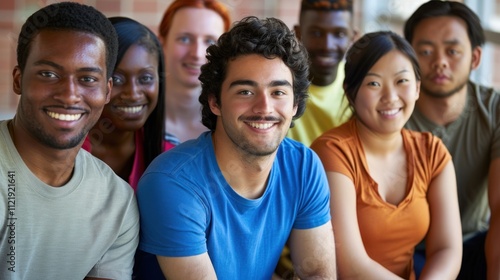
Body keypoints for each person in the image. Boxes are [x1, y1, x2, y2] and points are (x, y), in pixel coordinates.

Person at [136, 16, 337, 279]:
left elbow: (317, 275)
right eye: (245, 92)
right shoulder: (172, 182)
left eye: (278, 92)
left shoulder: (303, 167)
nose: (264, 107)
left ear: (295, 105)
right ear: (215, 102)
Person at [0, 2, 139, 279]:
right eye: (49, 74)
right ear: (18, 79)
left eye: (88, 78)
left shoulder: (117, 203)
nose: (69, 95)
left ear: (107, 90)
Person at [311, 31, 462, 279]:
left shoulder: (432, 152)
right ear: (350, 93)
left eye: (402, 81)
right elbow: (351, 266)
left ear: (417, 88)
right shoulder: (332, 152)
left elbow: (447, 249)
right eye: (374, 83)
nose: (390, 97)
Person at [403, 1, 500, 278]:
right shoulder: (390, 114)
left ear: (476, 58)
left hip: (477, 242)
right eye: (425, 50)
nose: (440, 61)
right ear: (408, 55)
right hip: (412, 249)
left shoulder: (494, 110)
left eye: (453, 51)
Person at [83, 17, 173, 191]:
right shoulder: (62, 151)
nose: (132, 94)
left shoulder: (170, 159)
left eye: (145, 78)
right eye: (116, 79)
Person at [158, 0, 231, 146]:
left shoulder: (232, 123)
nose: (197, 53)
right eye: (184, 39)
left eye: (210, 41)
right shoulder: (137, 118)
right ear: (162, 43)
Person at [287, 0, 357, 147]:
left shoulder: (360, 87)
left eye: (339, 34)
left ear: (353, 37)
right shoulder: (280, 86)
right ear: (298, 33)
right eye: (316, 33)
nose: (327, 45)